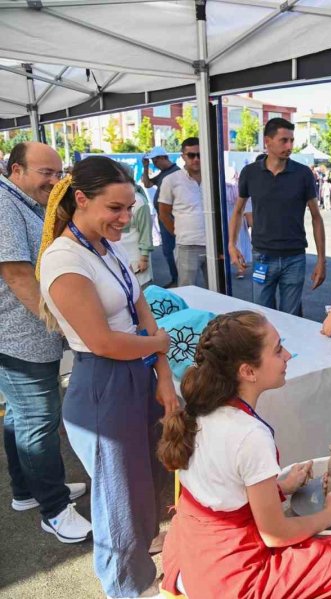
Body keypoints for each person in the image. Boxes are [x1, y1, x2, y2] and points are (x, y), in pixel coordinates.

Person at [157, 311, 331, 598]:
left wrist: (281, 487)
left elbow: (222, 486)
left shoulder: (202, 408)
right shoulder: (249, 435)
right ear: (247, 371)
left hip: (190, 550)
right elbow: (275, 535)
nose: (288, 356)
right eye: (278, 350)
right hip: (230, 576)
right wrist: (330, 514)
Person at [37, 156, 179, 598]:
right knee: (119, 502)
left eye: (129, 207)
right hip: (103, 386)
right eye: (115, 208)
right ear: (81, 199)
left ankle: (144, 565)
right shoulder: (64, 260)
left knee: (150, 482)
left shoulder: (105, 246)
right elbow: (103, 342)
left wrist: (164, 376)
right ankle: (126, 588)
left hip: (136, 376)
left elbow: (143, 309)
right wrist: (158, 347)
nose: (125, 218)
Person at [0, 142, 90, 543]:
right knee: (39, 420)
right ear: (16, 170)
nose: (55, 182)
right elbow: (18, 275)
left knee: (20, 416)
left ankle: (27, 490)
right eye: (46, 174)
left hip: (24, 335)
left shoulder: (23, 201)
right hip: (22, 338)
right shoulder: (4, 205)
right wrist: (62, 324)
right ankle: (53, 510)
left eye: (59, 173)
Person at [230, 118, 327, 317]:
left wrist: (321, 260)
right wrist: (232, 245)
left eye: (291, 140)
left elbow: (316, 218)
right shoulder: (250, 173)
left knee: (290, 317)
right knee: (262, 315)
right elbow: (238, 210)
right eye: (284, 140)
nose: (289, 146)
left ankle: (291, 348)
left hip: (295, 257)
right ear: (268, 141)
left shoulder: (303, 174)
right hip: (262, 256)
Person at [158, 137, 206, 288]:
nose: (196, 159)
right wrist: (177, 233)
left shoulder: (214, 178)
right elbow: (164, 213)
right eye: (191, 155)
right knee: (188, 290)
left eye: (200, 154)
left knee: (219, 290)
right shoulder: (171, 180)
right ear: (183, 156)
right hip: (187, 245)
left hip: (213, 244)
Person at [141, 146, 179, 285]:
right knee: (168, 250)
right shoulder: (164, 173)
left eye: (155, 161)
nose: (154, 164)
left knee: (172, 249)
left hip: (171, 216)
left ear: (163, 158)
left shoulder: (175, 173)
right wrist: (145, 167)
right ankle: (176, 278)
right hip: (164, 216)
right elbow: (147, 184)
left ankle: (178, 279)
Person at [119, 183, 154, 288]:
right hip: (120, 257)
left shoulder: (139, 201)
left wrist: (144, 258)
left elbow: (146, 231)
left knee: (142, 292)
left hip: (136, 258)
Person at [224, 167, 252, 279]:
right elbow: (245, 207)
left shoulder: (223, 188)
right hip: (238, 220)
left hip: (228, 219)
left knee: (232, 242)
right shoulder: (238, 188)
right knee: (241, 243)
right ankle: (241, 268)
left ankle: (239, 266)